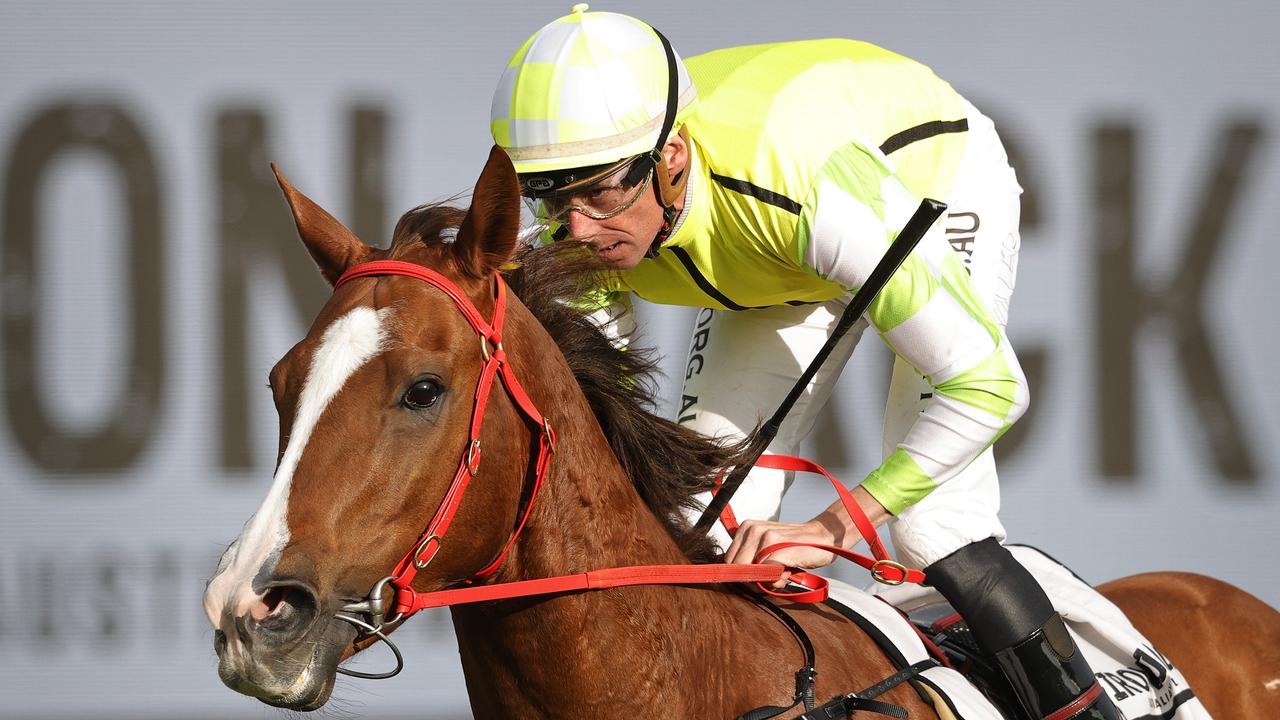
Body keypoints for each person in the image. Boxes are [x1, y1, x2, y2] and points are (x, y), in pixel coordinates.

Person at [490, 6, 1120, 719]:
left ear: (670, 158)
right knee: (705, 522)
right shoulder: (575, 225)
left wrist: (832, 529)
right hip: (773, 248)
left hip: (927, 179)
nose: (576, 228)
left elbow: (989, 386)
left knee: (934, 525)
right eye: (551, 192)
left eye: (600, 189)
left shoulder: (800, 191)